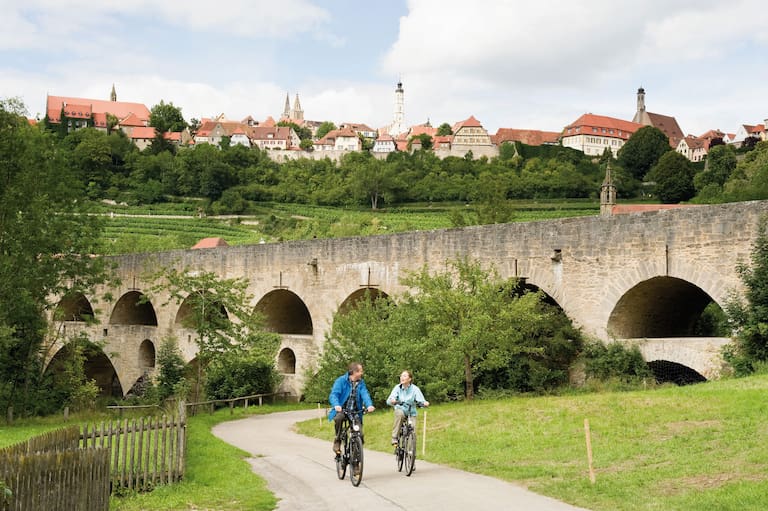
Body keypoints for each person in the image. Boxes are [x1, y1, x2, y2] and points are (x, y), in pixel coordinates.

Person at [328, 361, 375, 454]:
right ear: (354, 372)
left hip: (355, 412)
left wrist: (369, 405)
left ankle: (356, 461)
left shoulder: (361, 383)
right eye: (360, 371)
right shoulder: (341, 381)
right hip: (342, 410)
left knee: (360, 435)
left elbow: (365, 394)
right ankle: (337, 440)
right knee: (338, 418)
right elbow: (334, 395)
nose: (362, 373)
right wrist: (336, 405)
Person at [386, 370, 429, 445]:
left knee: (412, 430)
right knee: (399, 414)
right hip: (401, 409)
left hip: (411, 412)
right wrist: (393, 400)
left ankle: (410, 451)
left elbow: (421, 400)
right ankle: (394, 437)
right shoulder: (397, 388)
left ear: (410, 379)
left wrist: (424, 403)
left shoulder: (415, 389)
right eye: (401, 376)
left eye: (404, 376)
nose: (402, 377)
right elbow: (390, 399)